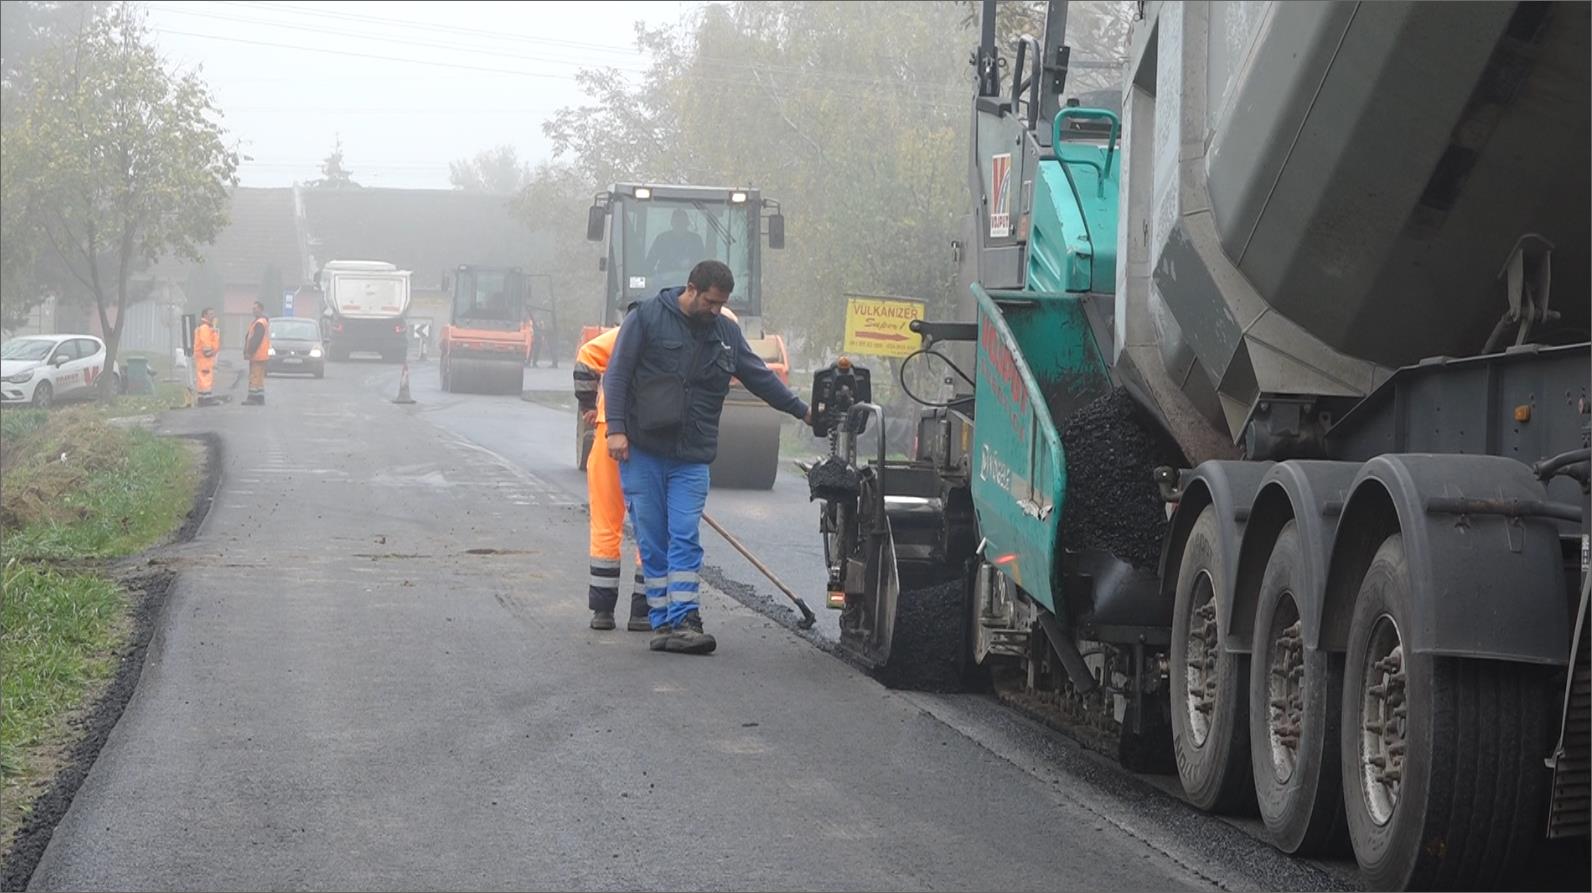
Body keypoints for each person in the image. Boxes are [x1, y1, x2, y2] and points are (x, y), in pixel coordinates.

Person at [603, 260, 811, 655]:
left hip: (691, 457)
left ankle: (686, 618)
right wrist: (615, 429)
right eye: (712, 302)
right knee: (653, 540)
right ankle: (663, 624)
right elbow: (617, 374)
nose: (716, 310)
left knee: (684, 533)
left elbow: (760, 377)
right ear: (692, 289)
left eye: (722, 304)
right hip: (643, 450)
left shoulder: (726, 333)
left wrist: (803, 410)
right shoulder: (645, 318)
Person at [573, 302, 649, 631]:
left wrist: (589, 405)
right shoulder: (673, 336)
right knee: (650, 526)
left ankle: (602, 612)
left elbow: (587, 357)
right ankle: (643, 612)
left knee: (606, 524)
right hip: (648, 441)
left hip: (607, 435)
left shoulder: (623, 334)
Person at [643, 208, 706, 278]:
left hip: (690, 282)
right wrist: (648, 278)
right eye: (677, 223)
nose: (680, 225)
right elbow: (650, 262)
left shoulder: (696, 240)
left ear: (687, 224)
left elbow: (702, 265)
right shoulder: (662, 239)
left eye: (682, 223)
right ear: (672, 223)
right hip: (664, 283)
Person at [243, 302, 271, 405]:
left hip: (257, 354)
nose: (253, 310)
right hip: (261, 354)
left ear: (261, 309)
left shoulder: (260, 323)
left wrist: (249, 352)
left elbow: (255, 339)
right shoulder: (260, 322)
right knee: (259, 378)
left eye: (255, 308)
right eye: (252, 308)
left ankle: (252, 398)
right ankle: (259, 397)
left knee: (254, 376)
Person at [194, 308, 220, 405]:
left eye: (213, 314)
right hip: (205, 357)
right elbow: (206, 344)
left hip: (203, 357)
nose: (213, 316)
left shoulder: (207, 327)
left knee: (202, 378)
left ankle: (202, 398)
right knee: (206, 378)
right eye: (210, 314)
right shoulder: (205, 328)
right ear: (205, 315)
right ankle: (206, 399)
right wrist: (210, 353)